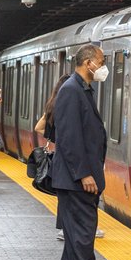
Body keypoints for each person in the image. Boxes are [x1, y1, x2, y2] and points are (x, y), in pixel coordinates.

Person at [50, 44, 117, 260]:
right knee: (83, 234)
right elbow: (68, 138)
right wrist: (84, 174)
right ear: (88, 62)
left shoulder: (82, 89)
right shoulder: (71, 91)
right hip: (76, 180)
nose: (102, 67)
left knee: (75, 234)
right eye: (100, 61)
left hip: (76, 178)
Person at [36, 74, 106, 242]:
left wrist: (54, 139)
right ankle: (68, 229)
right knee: (74, 206)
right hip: (71, 163)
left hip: (64, 160)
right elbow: (71, 136)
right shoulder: (70, 96)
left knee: (66, 202)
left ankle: (66, 229)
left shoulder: (53, 104)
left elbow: (39, 127)